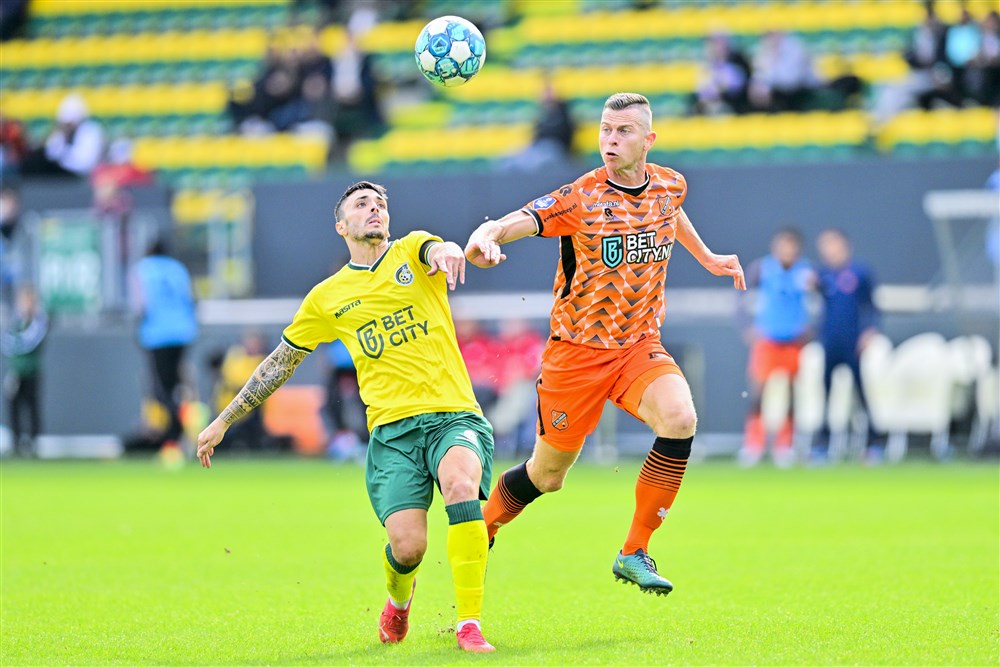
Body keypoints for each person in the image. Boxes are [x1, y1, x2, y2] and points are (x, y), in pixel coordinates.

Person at [196, 181, 497, 653]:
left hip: (452, 414)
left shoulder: (413, 249)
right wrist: (224, 420)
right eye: (362, 205)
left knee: (461, 485)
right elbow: (281, 362)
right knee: (408, 548)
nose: (374, 209)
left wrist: (451, 251)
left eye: (380, 203)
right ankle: (398, 604)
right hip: (393, 435)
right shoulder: (327, 298)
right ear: (342, 226)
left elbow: (440, 248)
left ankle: (469, 623)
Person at [464, 93, 745, 595]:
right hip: (576, 354)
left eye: (623, 132)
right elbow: (520, 219)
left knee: (680, 418)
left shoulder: (669, 184)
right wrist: (488, 236)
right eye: (605, 130)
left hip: (637, 344)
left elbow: (669, 212)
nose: (610, 140)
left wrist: (707, 257)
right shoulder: (582, 196)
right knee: (547, 476)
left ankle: (633, 551)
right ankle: (481, 526)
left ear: (648, 140)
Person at [737, 227, 814, 468]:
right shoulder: (762, 268)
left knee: (791, 393)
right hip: (767, 339)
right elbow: (740, 297)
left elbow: (820, 303)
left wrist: (810, 328)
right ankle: (753, 444)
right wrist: (747, 327)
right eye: (783, 245)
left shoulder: (806, 272)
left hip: (793, 340)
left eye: (792, 246)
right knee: (759, 393)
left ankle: (785, 445)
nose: (787, 250)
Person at [813, 228, 884, 463]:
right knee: (826, 393)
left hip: (853, 343)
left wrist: (869, 332)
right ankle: (823, 444)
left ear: (844, 246)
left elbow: (872, 307)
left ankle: (873, 442)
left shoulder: (860, 273)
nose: (827, 250)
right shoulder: (823, 275)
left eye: (831, 245)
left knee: (860, 392)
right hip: (830, 342)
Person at [129, 239, 198, 452]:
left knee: (160, 388)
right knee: (174, 384)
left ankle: (176, 429)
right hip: (183, 332)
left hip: (157, 334)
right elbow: (192, 299)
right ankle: (175, 433)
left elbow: (139, 305)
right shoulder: (178, 269)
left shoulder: (142, 270)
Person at [1, 284, 47, 456]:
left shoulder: (38, 323)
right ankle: (16, 443)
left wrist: (14, 342)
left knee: (32, 406)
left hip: (31, 372)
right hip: (15, 373)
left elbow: (28, 343)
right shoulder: (15, 323)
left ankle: (33, 443)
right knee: (14, 407)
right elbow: (6, 343)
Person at [21, 94, 104, 178]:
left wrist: (62, 157)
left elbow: (85, 163)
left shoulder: (90, 131)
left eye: (69, 123)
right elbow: (51, 152)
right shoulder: (61, 132)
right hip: (62, 171)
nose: (67, 126)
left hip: (77, 175)